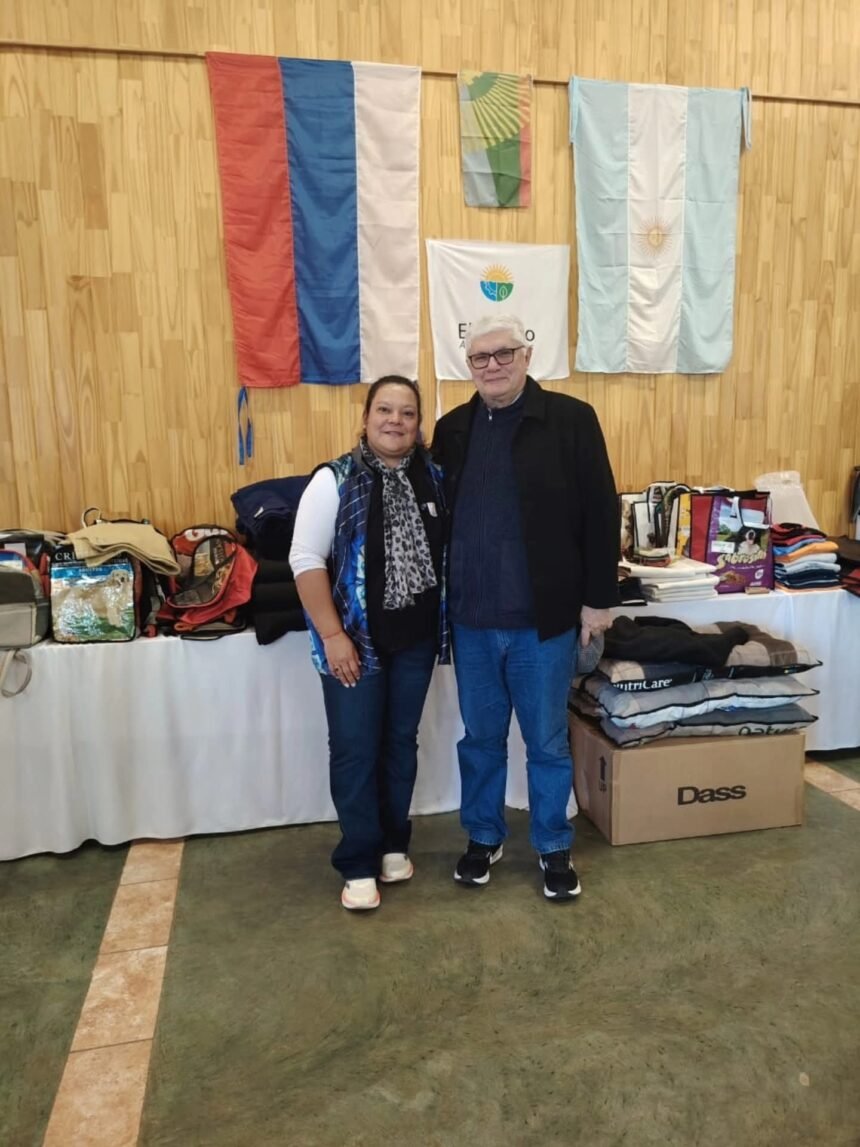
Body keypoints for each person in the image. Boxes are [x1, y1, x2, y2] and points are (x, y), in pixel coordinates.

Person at [432, 315, 619, 901]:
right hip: (472, 623)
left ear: (527, 355)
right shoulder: (451, 429)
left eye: (503, 353)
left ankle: (553, 844)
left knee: (546, 743)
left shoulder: (571, 420)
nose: (492, 365)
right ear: (469, 366)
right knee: (480, 740)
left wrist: (598, 601)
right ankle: (483, 836)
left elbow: (602, 511)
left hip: (545, 623)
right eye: (480, 357)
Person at [290, 376, 447, 911]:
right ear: (365, 417)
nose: (395, 421)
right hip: (353, 643)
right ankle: (358, 861)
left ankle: (393, 845)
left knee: (400, 744)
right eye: (385, 409)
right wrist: (333, 636)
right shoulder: (333, 480)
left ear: (418, 424)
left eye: (407, 413)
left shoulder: (434, 478)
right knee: (356, 749)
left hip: (415, 643)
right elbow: (305, 560)